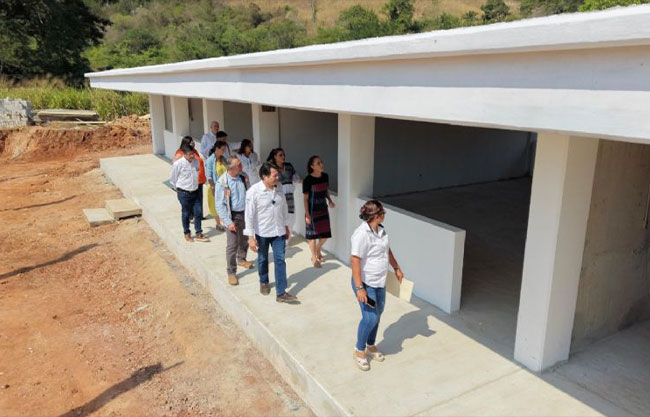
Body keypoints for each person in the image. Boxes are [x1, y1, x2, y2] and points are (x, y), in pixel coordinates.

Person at [350, 200, 404, 371]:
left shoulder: (381, 230)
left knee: (378, 314)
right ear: (376, 216)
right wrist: (359, 288)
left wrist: (396, 267)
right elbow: (355, 260)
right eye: (382, 213)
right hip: (366, 284)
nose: (384, 215)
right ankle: (359, 350)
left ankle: (371, 345)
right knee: (370, 318)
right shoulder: (361, 234)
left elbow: (387, 250)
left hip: (380, 281)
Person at [245, 162, 297, 304]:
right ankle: (264, 282)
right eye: (274, 175)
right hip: (262, 233)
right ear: (264, 176)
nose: (277, 177)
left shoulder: (279, 188)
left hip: (278, 231)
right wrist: (250, 237)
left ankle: (281, 292)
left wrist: (286, 226)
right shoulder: (254, 192)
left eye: (277, 175)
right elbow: (249, 215)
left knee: (280, 260)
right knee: (262, 259)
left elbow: (284, 208)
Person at [216, 156, 254, 285]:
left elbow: (249, 194)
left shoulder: (243, 177)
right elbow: (219, 205)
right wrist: (228, 222)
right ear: (231, 168)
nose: (242, 166)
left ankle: (242, 259)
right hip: (231, 216)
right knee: (232, 244)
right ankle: (231, 272)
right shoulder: (222, 182)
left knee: (244, 239)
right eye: (239, 165)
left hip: (245, 214)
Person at [169, 143, 210, 243]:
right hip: (184, 193)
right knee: (186, 213)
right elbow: (173, 179)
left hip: (195, 191)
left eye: (193, 153)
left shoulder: (196, 162)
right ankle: (187, 233)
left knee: (198, 212)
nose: (192, 156)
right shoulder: (178, 164)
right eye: (190, 154)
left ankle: (199, 233)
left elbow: (196, 174)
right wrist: (178, 190)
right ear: (184, 154)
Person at [303, 155, 335, 268]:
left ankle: (318, 249)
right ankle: (314, 257)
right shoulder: (308, 180)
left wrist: (330, 200)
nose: (321, 164)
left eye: (321, 162)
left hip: (323, 209)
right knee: (312, 236)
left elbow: (325, 191)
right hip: (312, 211)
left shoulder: (325, 176)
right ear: (312, 166)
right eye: (318, 163)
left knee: (325, 235)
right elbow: (305, 199)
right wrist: (307, 215)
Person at [267, 148, 300, 233]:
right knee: (279, 214)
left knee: (291, 214)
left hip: (289, 193)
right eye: (280, 155)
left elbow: (296, 177)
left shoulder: (289, 166)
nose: (283, 157)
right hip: (278, 194)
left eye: (284, 155)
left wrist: (299, 179)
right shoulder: (272, 168)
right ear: (275, 156)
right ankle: (279, 234)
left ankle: (287, 236)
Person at [174, 136, 206, 220]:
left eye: (193, 141)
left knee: (199, 199)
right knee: (190, 200)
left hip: (199, 180)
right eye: (191, 142)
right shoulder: (180, 152)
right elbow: (176, 166)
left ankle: (198, 215)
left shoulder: (195, 151)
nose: (193, 143)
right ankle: (191, 216)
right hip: (189, 181)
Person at [205, 140, 228, 230]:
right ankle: (218, 224)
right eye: (222, 149)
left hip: (224, 186)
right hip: (214, 186)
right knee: (215, 206)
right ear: (217, 149)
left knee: (224, 204)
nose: (224, 151)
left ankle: (225, 221)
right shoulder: (210, 160)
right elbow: (209, 176)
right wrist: (213, 187)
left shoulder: (223, 159)